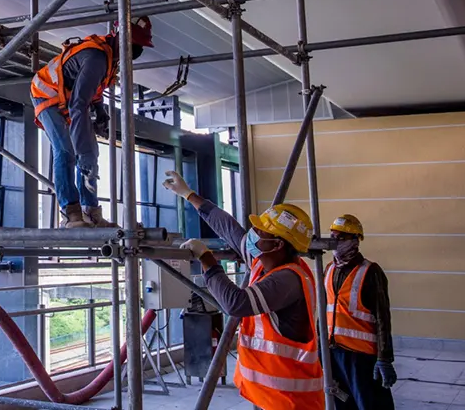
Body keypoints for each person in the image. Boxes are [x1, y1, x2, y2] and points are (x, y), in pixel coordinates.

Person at [164, 171, 325, 410]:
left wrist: (207, 259)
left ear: (277, 244)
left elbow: (236, 303)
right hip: (269, 395)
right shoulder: (264, 263)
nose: (253, 234)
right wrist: (189, 195)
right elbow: (230, 230)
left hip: (290, 401)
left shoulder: (288, 279)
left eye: (261, 232)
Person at [30, 16, 154, 229]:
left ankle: (91, 212)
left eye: (139, 46)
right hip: (45, 94)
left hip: (68, 99)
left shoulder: (110, 58)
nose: (136, 51)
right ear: (119, 37)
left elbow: (91, 91)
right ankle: (70, 213)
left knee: (89, 155)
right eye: (135, 45)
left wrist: (100, 110)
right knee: (66, 151)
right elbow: (78, 105)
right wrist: (82, 145)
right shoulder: (97, 58)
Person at [326, 214, 396, 409]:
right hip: (334, 352)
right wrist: (320, 349)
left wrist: (384, 359)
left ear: (355, 240)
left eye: (341, 238)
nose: (335, 242)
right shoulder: (329, 270)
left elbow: (383, 318)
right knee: (341, 402)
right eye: (333, 237)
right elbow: (323, 313)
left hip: (361, 357)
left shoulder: (370, 271)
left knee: (369, 403)